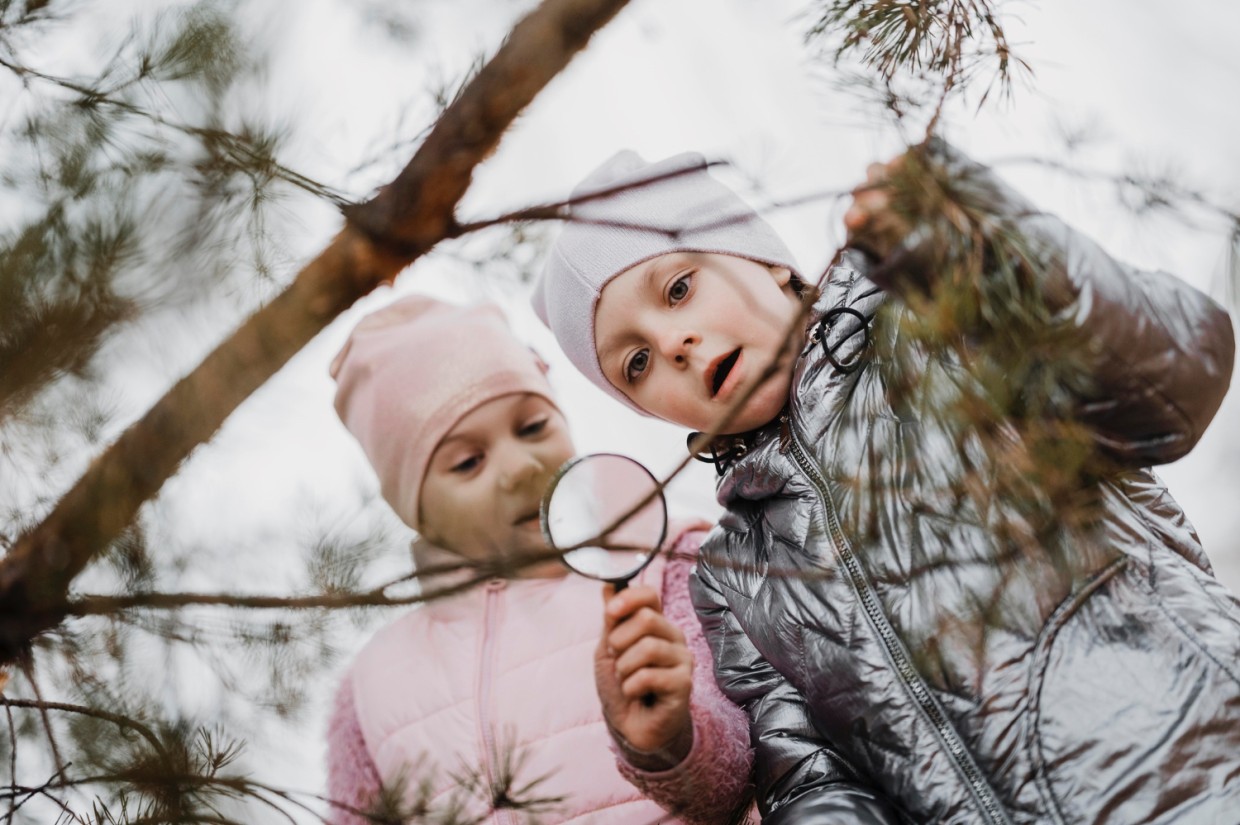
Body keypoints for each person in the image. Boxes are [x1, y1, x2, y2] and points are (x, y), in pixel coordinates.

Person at [531, 142, 1240, 823]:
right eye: (635, 363)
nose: (673, 345)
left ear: (766, 261)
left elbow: (1177, 381)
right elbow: (811, 779)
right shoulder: (728, 581)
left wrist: (985, 237)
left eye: (679, 288)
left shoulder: (939, 328)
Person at [324, 296, 755, 825]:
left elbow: (750, 781)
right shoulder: (372, 686)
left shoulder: (670, 566)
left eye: (532, 427)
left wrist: (672, 742)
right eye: (467, 461)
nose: (521, 467)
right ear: (416, 511)